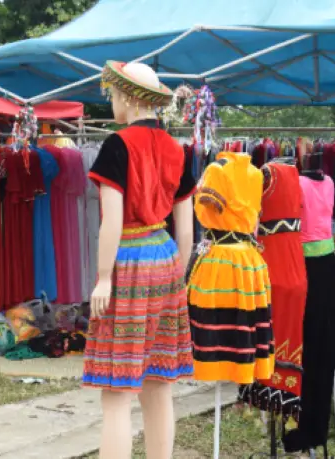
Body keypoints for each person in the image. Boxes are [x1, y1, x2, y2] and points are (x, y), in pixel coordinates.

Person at [82, 60, 195, 459]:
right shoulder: (177, 149)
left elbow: (111, 221)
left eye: (113, 95)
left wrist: (103, 277)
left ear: (129, 97)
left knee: (116, 392)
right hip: (165, 258)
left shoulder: (117, 144)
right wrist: (177, 273)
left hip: (129, 258)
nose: (112, 103)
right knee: (159, 383)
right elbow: (186, 226)